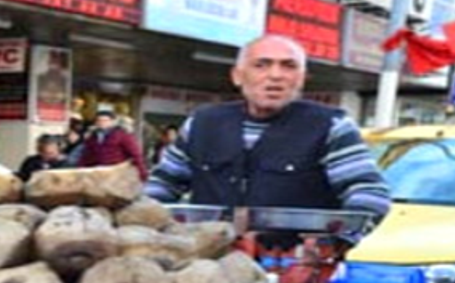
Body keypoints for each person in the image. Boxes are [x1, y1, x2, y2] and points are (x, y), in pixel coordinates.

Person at [145, 34, 390, 225]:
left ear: (301, 78)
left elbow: (369, 193)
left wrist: (336, 240)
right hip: (209, 262)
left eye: (288, 66)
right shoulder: (202, 123)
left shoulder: (331, 126)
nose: (275, 75)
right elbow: (162, 186)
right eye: (261, 65)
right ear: (238, 76)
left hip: (295, 263)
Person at [79, 109, 147, 179]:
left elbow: (135, 153)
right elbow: (86, 155)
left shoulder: (122, 135)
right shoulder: (92, 136)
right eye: (99, 120)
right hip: (98, 172)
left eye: (105, 120)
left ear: (112, 121)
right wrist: (81, 169)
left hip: (116, 172)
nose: (102, 123)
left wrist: (141, 171)